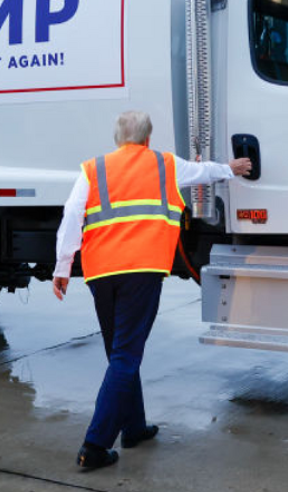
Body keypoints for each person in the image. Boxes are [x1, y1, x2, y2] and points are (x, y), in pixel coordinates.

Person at [51, 110, 251, 471]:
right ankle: (94, 445)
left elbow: (70, 215)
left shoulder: (92, 169)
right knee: (127, 355)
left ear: (118, 139)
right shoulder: (164, 164)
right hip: (141, 270)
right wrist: (231, 168)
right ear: (147, 139)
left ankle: (134, 426)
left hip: (100, 272)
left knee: (120, 353)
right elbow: (203, 172)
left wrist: (62, 267)